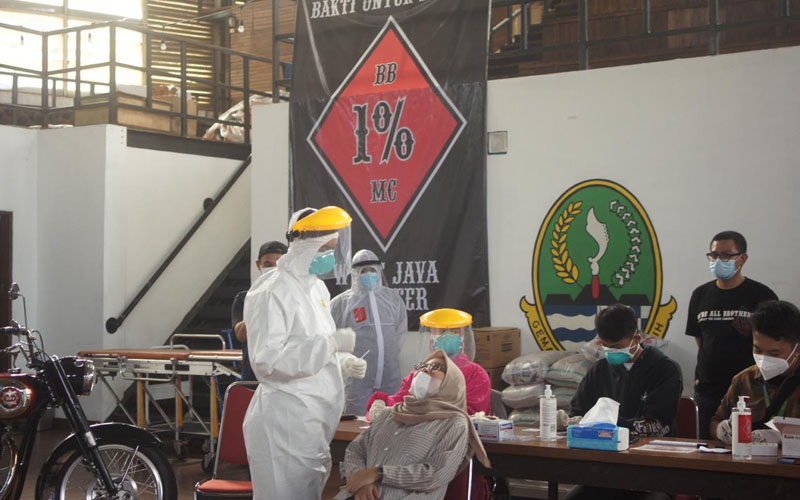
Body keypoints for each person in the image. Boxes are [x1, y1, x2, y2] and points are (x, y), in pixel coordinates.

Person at [242, 206, 368, 500]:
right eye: (325, 249)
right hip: (285, 420)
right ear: (302, 243)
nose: (330, 256)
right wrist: (329, 345)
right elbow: (268, 362)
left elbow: (309, 346)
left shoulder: (316, 289)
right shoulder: (272, 290)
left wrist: (340, 362)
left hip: (313, 420)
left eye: (333, 249)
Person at [560, 304, 682, 500]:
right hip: (605, 474)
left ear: (637, 339)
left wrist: (611, 424)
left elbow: (659, 425)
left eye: (616, 347)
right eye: (605, 346)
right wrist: (570, 422)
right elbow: (578, 411)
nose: (610, 352)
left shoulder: (664, 370)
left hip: (652, 474)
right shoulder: (599, 370)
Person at [336, 350, 491, 500]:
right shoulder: (388, 414)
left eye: (436, 367)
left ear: (451, 382)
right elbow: (355, 451)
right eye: (422, 366)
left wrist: (378, 473)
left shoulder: (454, 423)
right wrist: (361, 481)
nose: (425, 370)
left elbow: (435, 474)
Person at [686, 230, 777, 439]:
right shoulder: (700, 294)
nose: (718, 260)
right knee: (706, 446)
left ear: (742, 259)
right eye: (714, 255)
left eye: (726, 255)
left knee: (752, 445)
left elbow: (773, 340)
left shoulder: (761, 295)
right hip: (708, 389)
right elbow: (700, 339)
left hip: (751, 389)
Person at [366, 308, 491, 418]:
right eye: (441, 331)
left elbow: (471, 415)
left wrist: (420, 413)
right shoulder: (422, 371)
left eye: (454, 331)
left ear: (463, 337)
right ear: (431, 337)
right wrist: (380, 402)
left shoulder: (476, 374)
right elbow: (400, 401)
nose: (448, 336)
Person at [331, 249, 408, 415]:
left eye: (372, 270)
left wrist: (386, 355)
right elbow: (332, 340)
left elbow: (400, 333)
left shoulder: (393, 299)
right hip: (357, 379)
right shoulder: (341, 304)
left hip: (390, 376)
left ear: (379, 271)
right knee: (356, 421)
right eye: (363, 271)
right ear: (354, 273)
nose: (368, 274)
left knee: (390, 419)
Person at [712, 300, 800, 444]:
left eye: (774, 353)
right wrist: (719, 430)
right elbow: (716, 421)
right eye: (757, 349)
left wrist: (783, 438)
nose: (764, 359)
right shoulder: (743, 380)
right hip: (747, 456)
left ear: (797, 349)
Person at [231, 240, 287, 381]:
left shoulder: (295, 298)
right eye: (268, 264)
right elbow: (241, 335)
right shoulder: (244, 298)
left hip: (287, 374)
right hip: (253, 377)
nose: (273, 269)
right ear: (258, 265)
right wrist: (262, 304)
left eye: (278, 264)